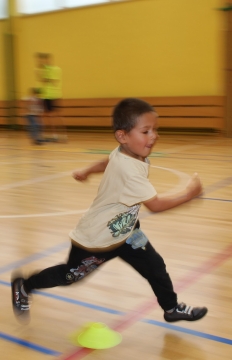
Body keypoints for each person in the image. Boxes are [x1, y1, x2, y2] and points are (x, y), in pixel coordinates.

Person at [11, 98, 207, 324]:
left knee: (155, 267)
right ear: (123, 136)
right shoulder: (130, 169)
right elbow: (155, 205)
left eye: (155, 130)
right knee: (70, 275)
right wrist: (188, 195)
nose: (154, 135)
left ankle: (171, 308)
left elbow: (108, 161)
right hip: (97, 240)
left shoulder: (128, 153)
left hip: (127, 232)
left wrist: (88, 170)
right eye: (146, 131)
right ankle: (24, 286)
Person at [35, 53, 66, 142]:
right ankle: (54, 135)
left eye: (44, 60)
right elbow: (42, 81)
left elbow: (54, 81)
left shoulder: (55, 69)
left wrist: (44, 76)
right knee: (46, 116)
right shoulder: (42, 70)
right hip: (45, 96)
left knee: (56, 115)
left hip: (54, 95)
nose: (42, 62)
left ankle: (63, 134)